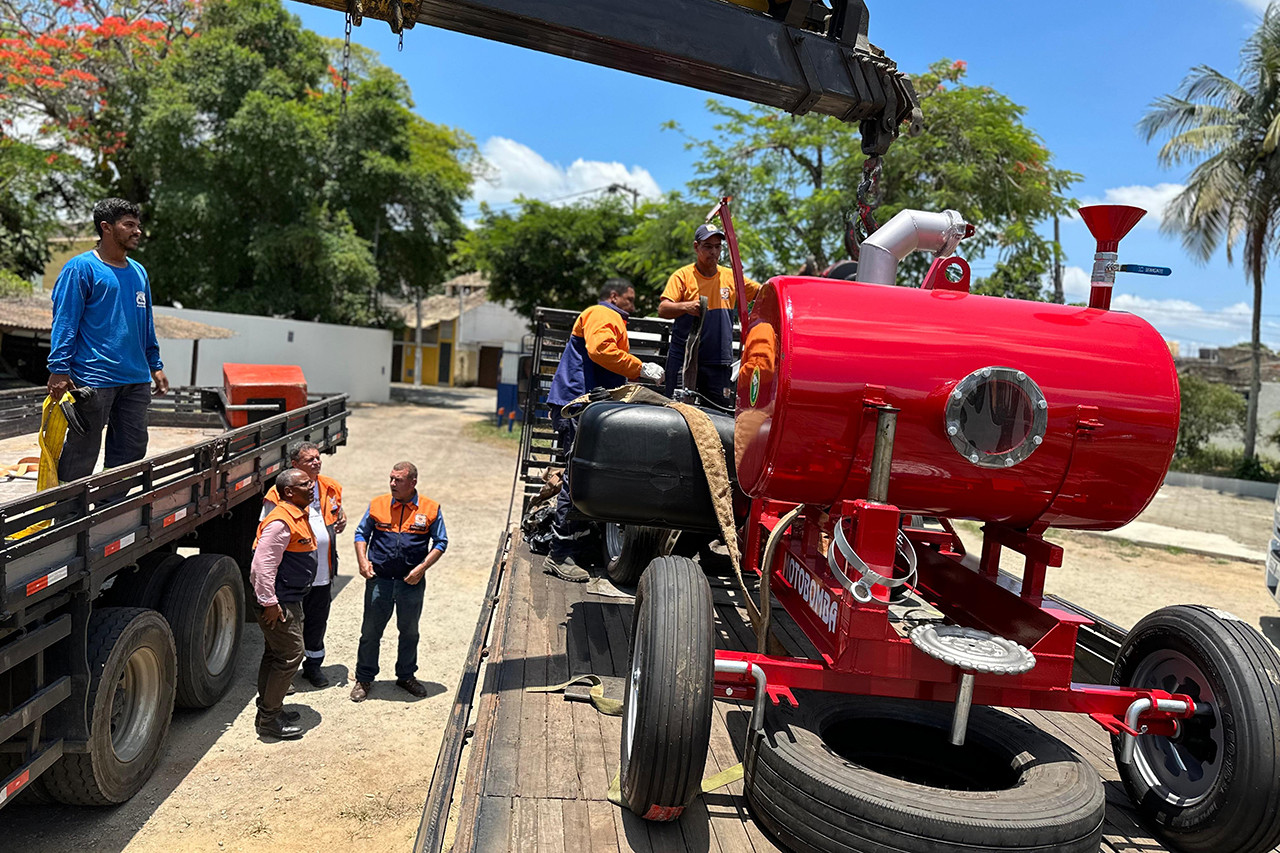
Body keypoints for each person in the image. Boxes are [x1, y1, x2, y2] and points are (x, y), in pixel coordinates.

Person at [543, 279, 664, 582]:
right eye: (630, 300)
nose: (633, 307)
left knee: (586, 479)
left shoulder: (610, 318)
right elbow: (600, 350)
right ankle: (560, 555)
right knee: (577, 479)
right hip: (579, 404)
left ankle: (576, 549)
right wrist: (640, 368)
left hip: (586, 405)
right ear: (614, 296)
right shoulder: (603, 313)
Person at [48, 197, 169, 483]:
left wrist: (155, 364)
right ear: (106, 227)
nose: (137, 231)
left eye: (138, 225)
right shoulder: (81, 269)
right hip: (94, 379)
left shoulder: (139, 272)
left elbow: (146, 324)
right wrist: (58, 368)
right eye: (129, 225)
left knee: (131, 451)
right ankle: (67, 518)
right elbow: (65, 321)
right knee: (82, 452)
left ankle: (106, 509)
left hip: (135, 379)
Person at [350, 461, 447, 702]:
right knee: (370, 632)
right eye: (391, 478)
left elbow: (441, 542)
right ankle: (364, 678)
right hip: (379, 580)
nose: (392, 483)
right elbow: (361, 533)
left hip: (410, 583)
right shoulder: (378, 504)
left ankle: (406, 676)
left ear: (412, 482)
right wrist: (363, 561)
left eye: (398, 480)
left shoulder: (430, 508)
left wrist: (422, 568)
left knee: (409, 631)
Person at [262, 441, 346, 688]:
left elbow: (336, 513)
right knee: (287, 626)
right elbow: (268, 537)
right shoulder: (277, 495)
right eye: (310, 460)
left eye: (318, 458)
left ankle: (312, 667)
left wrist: (342, 517)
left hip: (322, 572)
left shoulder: (330, 487)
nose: (317, 462)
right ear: (295, 464)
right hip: (293, 575)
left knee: (317, 621)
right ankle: (283, 675)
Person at [657, 223, 761, 408]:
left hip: (718, 360)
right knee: (679, 410)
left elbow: (763, 293)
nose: (713, 251)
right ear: (696, 247)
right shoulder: (682, 276)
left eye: (717, 247)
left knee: (717, 412)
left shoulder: (732, 277)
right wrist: (686, 306)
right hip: (685, 359)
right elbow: (663, 309)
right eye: (708, 246)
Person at [250, 468, 317, 740]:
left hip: (289, 598)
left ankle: (270, 709)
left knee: (275, 653)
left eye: (310, 482)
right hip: (279, 601)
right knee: (291, 654)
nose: (311, 486)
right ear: (289, 491)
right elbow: (261, 566)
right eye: (304, 484)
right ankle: (269, 719)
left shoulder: (297, 514)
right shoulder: (280, 521)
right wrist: (269, 602)